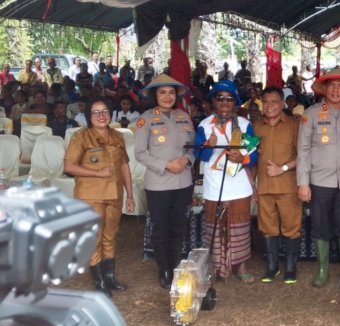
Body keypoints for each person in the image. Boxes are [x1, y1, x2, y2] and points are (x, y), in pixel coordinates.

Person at [297, 68, 340, 287]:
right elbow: (303, 149)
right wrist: (303, 183)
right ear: (324, 89)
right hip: (319, 180)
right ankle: (322, 269)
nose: (335, 90)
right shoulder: (311, 113)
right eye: (331, 85)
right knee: (320, 224)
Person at [64, 95, 134, 297]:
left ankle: (110, 277)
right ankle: (99, 281)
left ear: (110, 114)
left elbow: (124, 165)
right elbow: (69, 167)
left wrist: (129, 194)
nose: (101, 115)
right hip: (90, 195)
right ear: (88, 116)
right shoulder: (81, 137)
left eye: (105, 111)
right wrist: (97, 173)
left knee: (110, 236)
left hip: (114, 194)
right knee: (95, 238)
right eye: (96, 112)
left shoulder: (118, 136)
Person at [134, 74, 195, 290]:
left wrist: (186, 160)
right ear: (154, 95)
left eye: (171, 92)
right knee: (160, 228)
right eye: (162, 92)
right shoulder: (146, 119)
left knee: (179, 226)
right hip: (158, 183)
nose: (168, 96)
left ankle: (176, 264)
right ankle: (164, 269)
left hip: (183, 182)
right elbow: (140, 153)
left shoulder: (184, 117)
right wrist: (167, 165)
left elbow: (193, 147)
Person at [194, 80, 257, 282]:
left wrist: (243, 158)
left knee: (240, 227)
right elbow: (200, 157)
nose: (224, 102)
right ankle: (217, 266)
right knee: (215, 226)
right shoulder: (204, 125)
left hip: (238, 184)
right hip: (214, 185)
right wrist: (207, 145)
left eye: (229, 98)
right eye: (219, 97)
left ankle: (241, 267)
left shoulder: (245, 125)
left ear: (235, 102)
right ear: (213, 101)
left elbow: (254, 155)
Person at [253, 86, 302, 284]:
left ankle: (291, 268)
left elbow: (304, 156)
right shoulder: (255, 127)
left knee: (291, 228)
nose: (270, 105)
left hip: (288, 186)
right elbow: (250, 158)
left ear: (283, 103)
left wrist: (282, 168)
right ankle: (272, 268)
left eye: (274, 101)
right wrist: (252, 184)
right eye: (266, 102)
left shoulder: (294, 125)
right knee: (268, 229)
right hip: (264, 187)